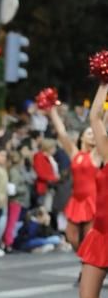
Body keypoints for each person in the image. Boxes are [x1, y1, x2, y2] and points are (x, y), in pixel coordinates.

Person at [77, 82, 108, 298]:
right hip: (101, 235)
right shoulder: (107, 151)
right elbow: (95, 117)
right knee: (87, 297)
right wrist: (103, 82)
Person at [48, 104, 99, 252]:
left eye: (94, 134)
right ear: (81, 137)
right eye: (89, 133)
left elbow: (101, 129)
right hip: (76, 199)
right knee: (72, 237)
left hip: (92, 199)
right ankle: (85, 262)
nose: (93, 136)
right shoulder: (75, 153)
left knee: (90, 236)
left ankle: (89, 268)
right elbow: (62, 132)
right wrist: (52, 111)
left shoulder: (96, 154)